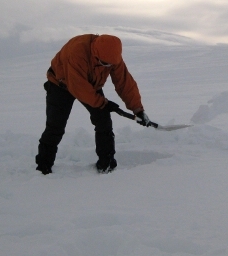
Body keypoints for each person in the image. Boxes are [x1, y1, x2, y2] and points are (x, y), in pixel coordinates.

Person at [35, 34, 151, 174]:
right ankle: (43, 167)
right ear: (95, 54)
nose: (107, 66)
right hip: (60, 84)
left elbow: (124, 83)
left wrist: (138, 109)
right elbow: (79, 87)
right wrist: (103, 103)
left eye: (110, 64)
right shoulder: (77, 52)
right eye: (104, 63)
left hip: (91, 85)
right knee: (55, 127)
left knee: (104, 122)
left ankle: (106, 164)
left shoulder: (112, 56)